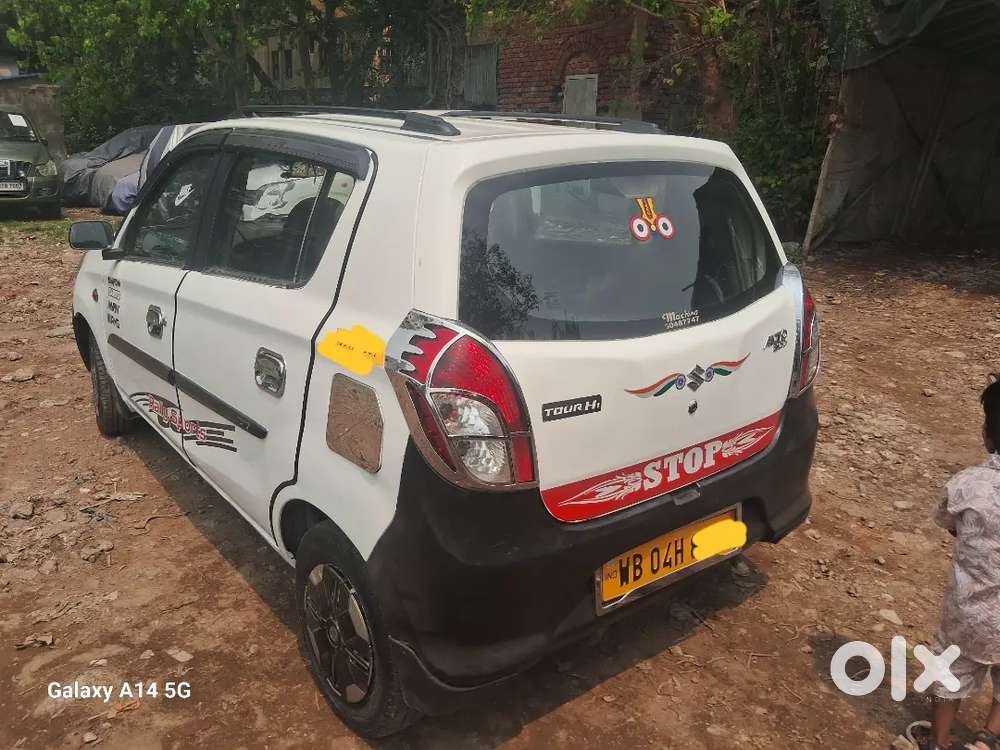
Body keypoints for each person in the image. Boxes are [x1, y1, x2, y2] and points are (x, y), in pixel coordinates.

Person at [910, 375, 1000, 750]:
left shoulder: (967, 484)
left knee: (950, 669)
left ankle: (938, 741)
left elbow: (949, 523)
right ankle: (990, 738)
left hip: (969, 612)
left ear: (987, 433)